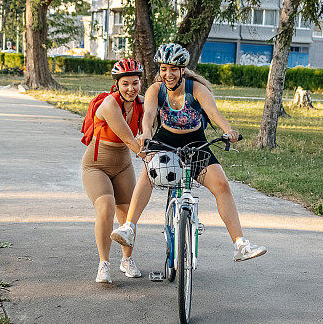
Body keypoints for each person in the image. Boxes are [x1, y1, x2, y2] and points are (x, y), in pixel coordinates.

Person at [111, 43, 267, 262]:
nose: (168, 74)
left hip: (196, 142)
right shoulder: (156, 89)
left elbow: (214, 113)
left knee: (222, 185)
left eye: (173, 69)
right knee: (149, 172)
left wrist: (228, 130)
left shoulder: (196, 89)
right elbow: (149, 114)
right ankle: (129, 228)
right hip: (165, 140)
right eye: (164, 68)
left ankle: (240, 244)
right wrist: (146, 133)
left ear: (182, 70)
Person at [82, 58, 146, 283]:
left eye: (135, 83)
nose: (131, 88)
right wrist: (147, 152)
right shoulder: (109, 105)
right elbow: (129, 139)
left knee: (129, 214)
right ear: (117, 84)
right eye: (126, 83)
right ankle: (104, 264)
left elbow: (152, 129)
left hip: (123, 164)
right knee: (106, 207)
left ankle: (126, 260)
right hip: (96, 165)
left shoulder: (142, 103)